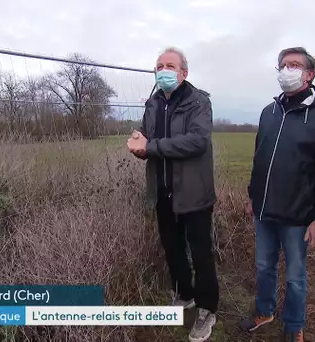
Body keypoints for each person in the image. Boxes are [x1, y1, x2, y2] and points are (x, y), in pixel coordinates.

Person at [240, 47, 315, 342]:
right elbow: (259, 160)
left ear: (309, 74)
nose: (286, 70)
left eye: (294, 65)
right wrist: (251, 196)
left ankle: (294, 325)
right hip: (264, 210)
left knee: (296, 276)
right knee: (263, 266)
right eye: (283, 65)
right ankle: (264, 310)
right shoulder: (268, 112)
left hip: (298, 215)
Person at [127, 47, 219, 342]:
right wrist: (139, 146)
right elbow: (146, 139)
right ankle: (184, 295)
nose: (163, 70)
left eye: (170, 65)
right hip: (162, 192)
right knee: (172, 247)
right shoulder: (153, 104)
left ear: (183, 73)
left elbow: (196, 142)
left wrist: (151, 146)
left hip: (194, 193)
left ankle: (207, 310)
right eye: (159, 65)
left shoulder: (199, 102)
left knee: (201, 254)